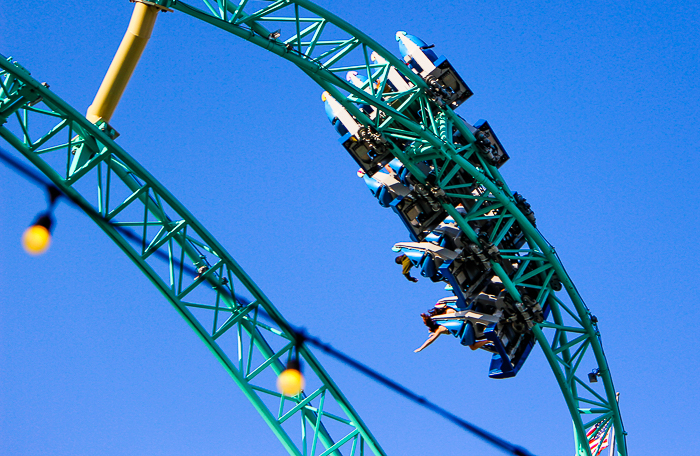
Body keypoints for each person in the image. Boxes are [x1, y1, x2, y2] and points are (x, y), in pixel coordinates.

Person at [414, 303, 492, 353]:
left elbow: (431, 340)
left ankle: (489, 340)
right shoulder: (448, 311)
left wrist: (421, 348)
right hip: (472, 315)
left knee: (473, 346)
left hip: (469, 327)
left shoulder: (441, 328)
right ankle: (489, 336)